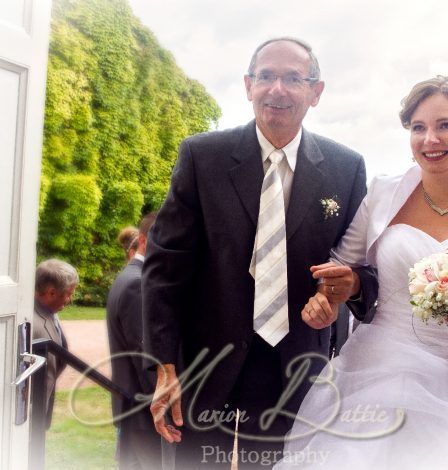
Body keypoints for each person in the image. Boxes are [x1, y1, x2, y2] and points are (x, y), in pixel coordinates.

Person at [277, 76, 448, 469]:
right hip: (377, 372)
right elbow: (342, 267)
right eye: (418, 127)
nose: (429, 139)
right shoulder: (384, 194)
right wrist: (326, 297)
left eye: (445, 125)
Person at [141, 37, 375, 469]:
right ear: (249, 85)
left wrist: (339, 293)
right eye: (266, 76)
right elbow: (164, 268)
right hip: (203, 364)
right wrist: (163, 363)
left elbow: (360, 268)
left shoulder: (348, 168)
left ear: (316, 92)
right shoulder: (202, 156)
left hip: (295, 368)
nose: (277, 89)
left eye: (293, 78)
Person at [107, 212, 161, 469]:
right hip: (142, 411)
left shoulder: (131, 277)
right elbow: (145, 357)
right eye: (160, 239)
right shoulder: (137, 284)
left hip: (132, 408)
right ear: (142, 240)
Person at [32, 258, 79, 429]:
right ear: (51, 292)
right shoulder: (32, 323)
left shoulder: (48, 311)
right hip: (30, 418)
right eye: (68, 293)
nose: (70, 299)